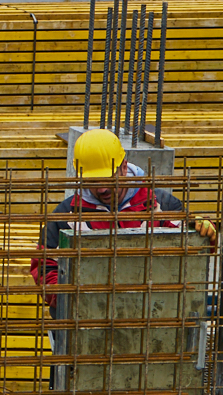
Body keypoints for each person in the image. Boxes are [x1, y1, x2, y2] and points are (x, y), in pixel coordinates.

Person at [29, 128, 217, 307]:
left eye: (107, 179)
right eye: (93, 181)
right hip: (90, 324)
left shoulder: (161, 207)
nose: (102, 189)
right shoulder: (65, 217)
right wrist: (71, 301)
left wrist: (204, 233)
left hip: (152, 315)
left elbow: (194, 255)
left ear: (123, 167)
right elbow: (45, 268)